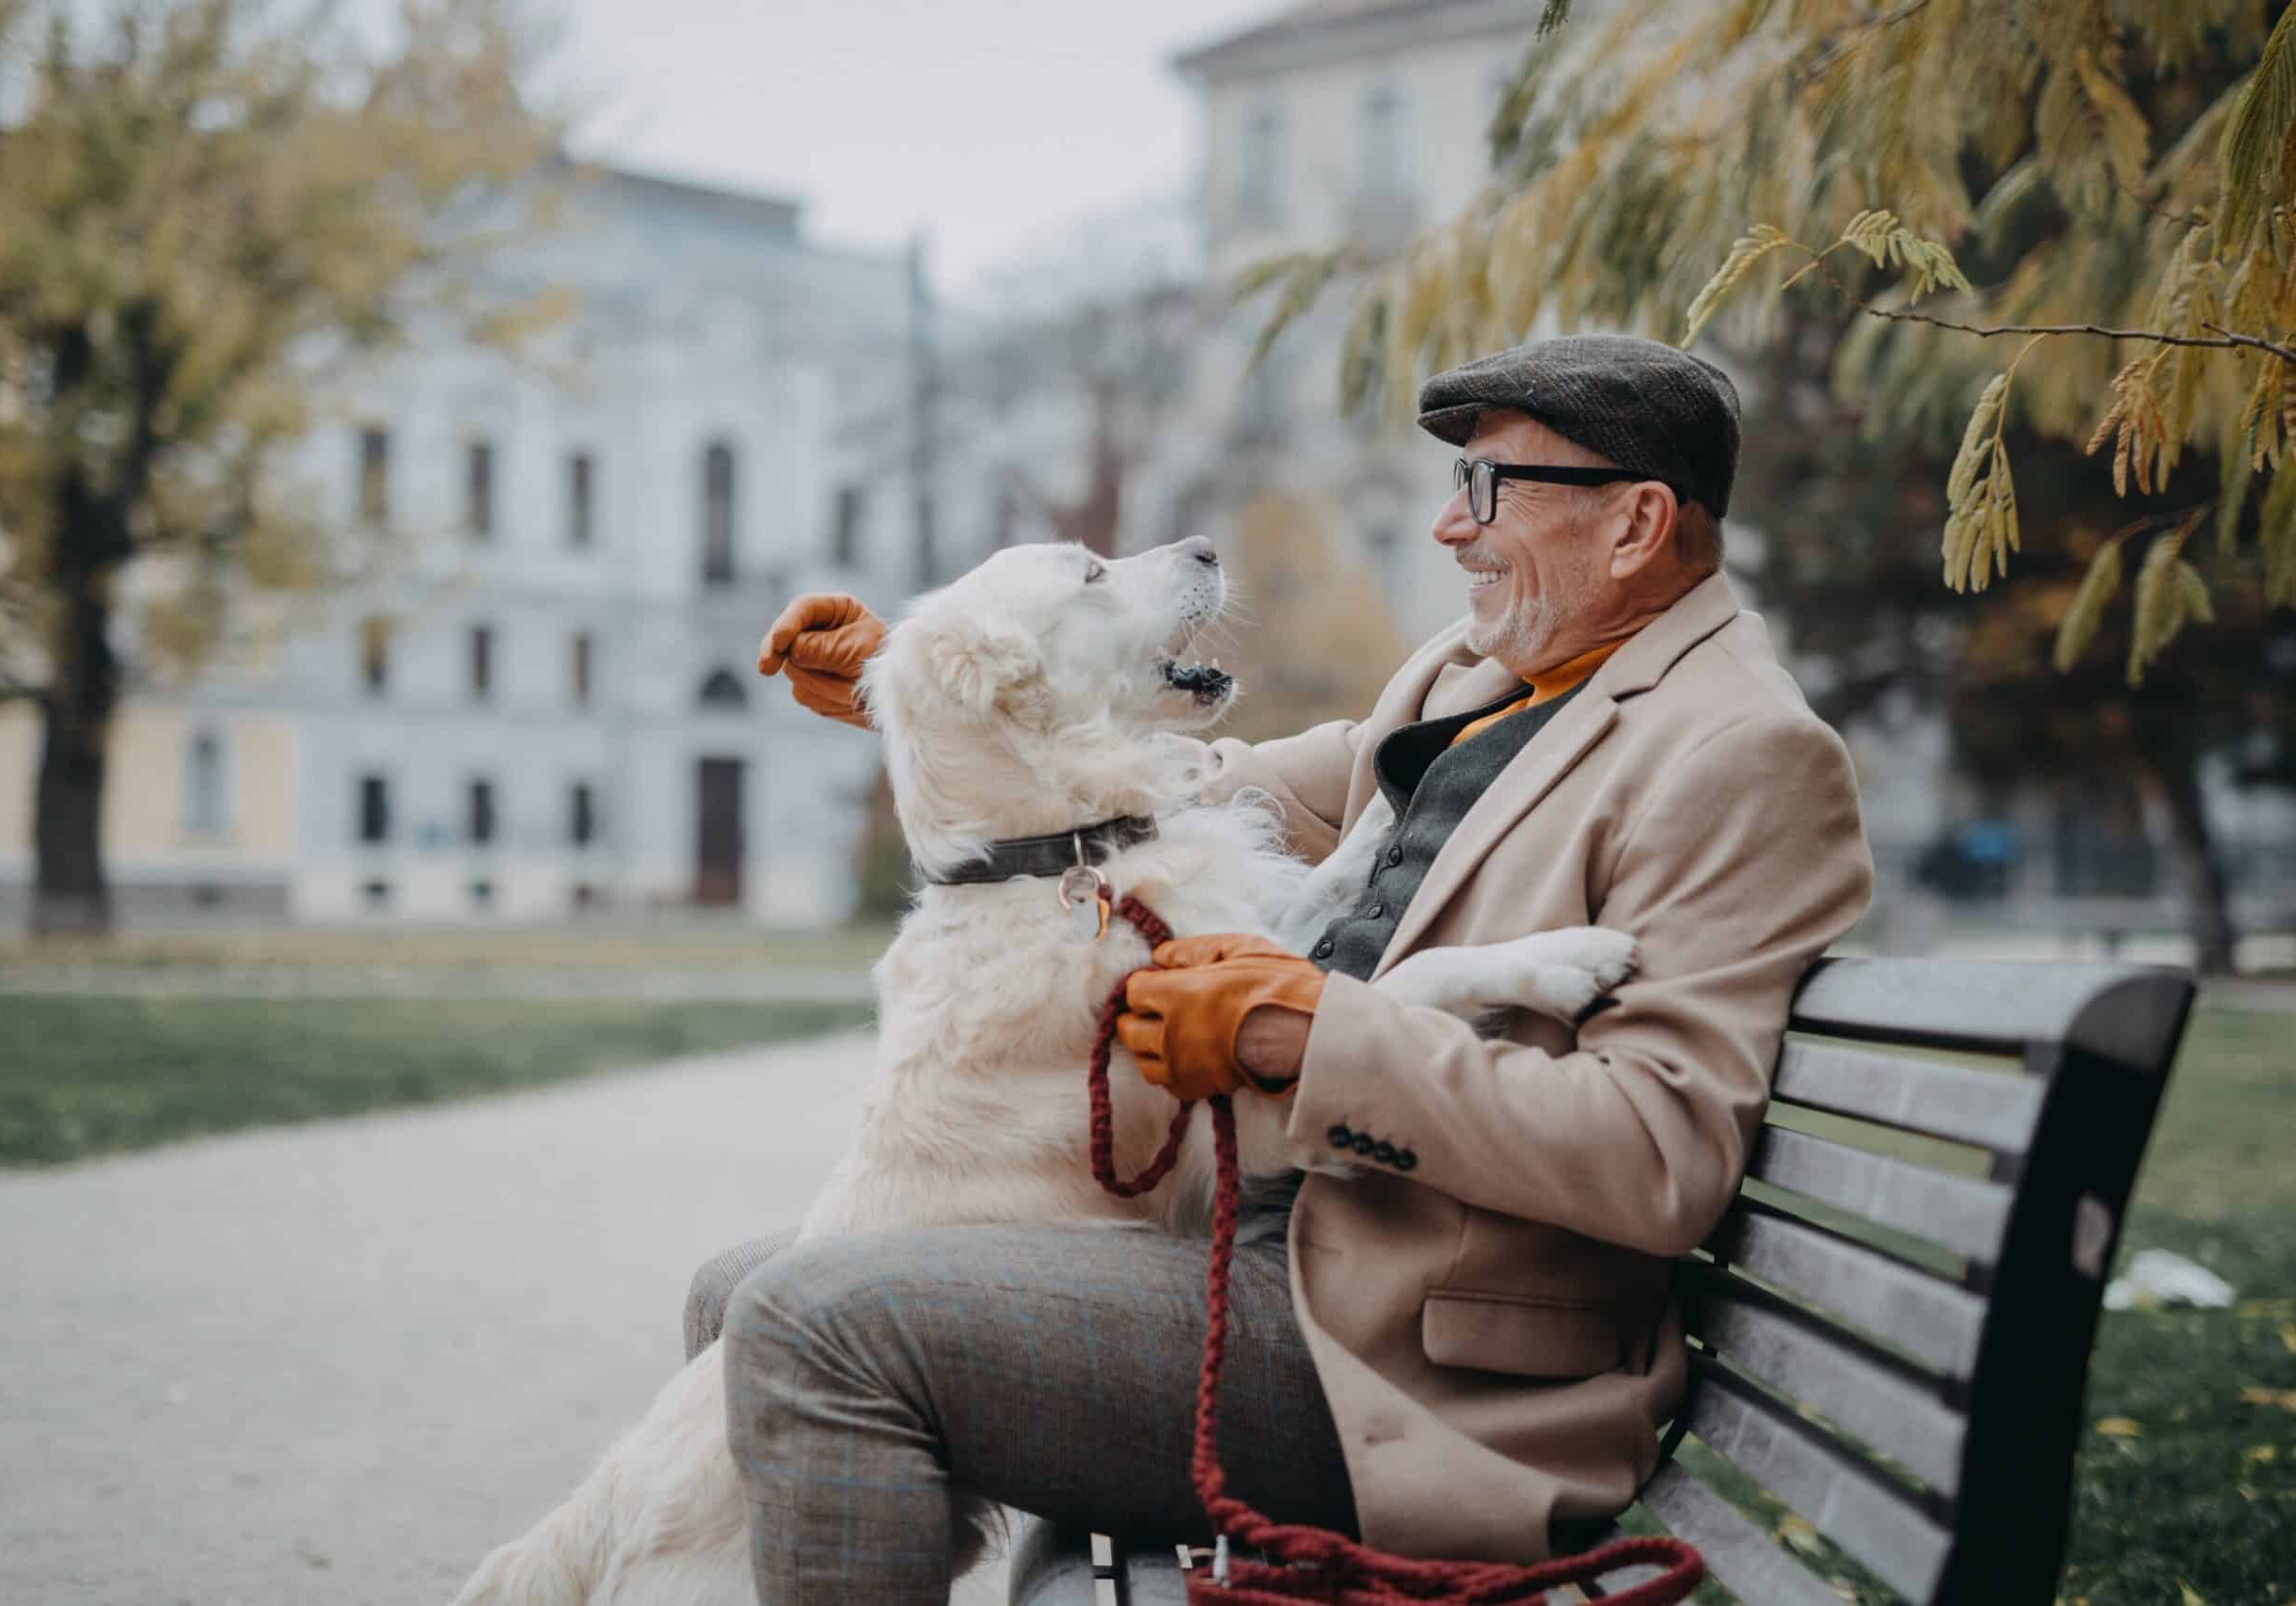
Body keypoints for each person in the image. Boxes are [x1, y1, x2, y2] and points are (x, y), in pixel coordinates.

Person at [689, 333, 1873, 1602]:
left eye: (1484, 491)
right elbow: (1196, 789)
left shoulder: (1738, 752)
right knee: (741, 1289)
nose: (1443, 528)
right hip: (1262, 1258)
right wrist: (937, 688)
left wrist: (1308, 1032)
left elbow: (1655, 1157)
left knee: (813, 1322)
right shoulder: (1480, 679)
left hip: (1403, 1363)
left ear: (1635, 522)